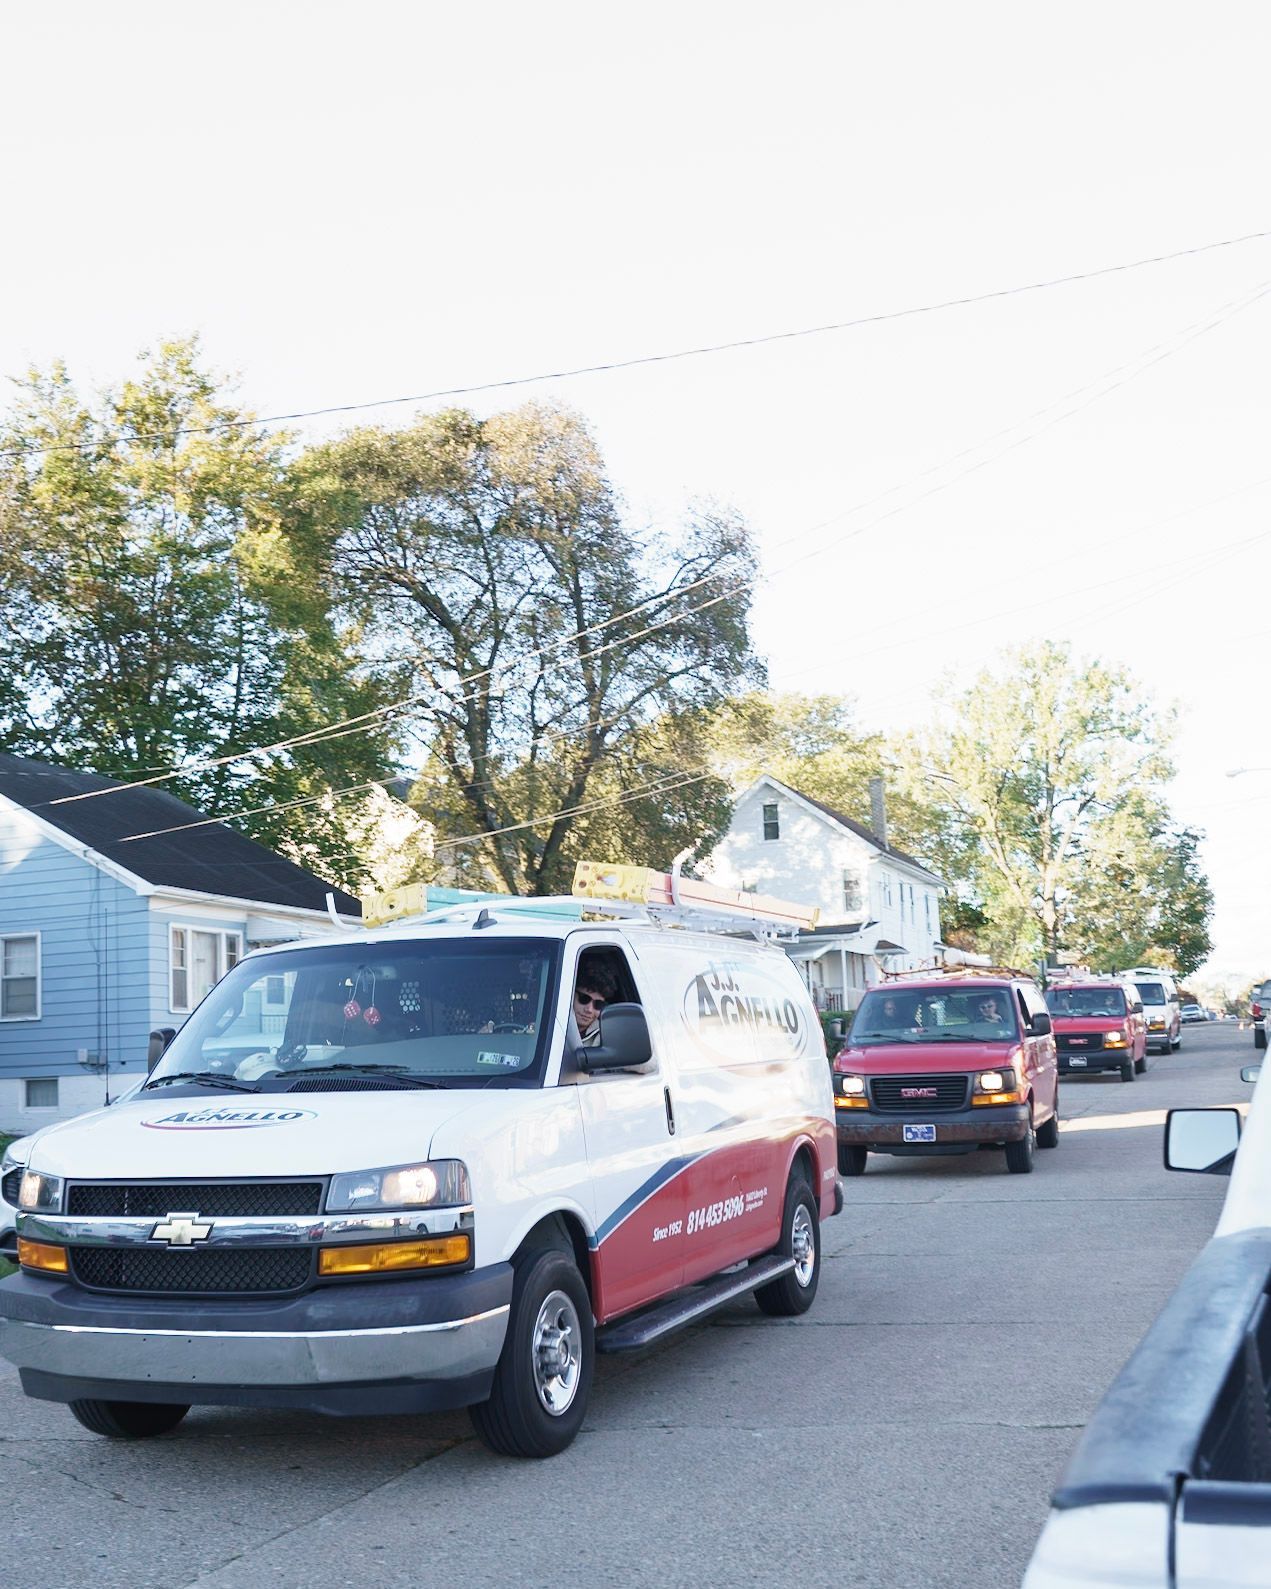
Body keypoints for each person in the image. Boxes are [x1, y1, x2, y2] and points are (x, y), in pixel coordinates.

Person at [573, 958, 619, 1046]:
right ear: (571, 995)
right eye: (584, 999)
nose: (589, 1009)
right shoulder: (545, 1023)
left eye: (598, 1004)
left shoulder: (605, 1040)